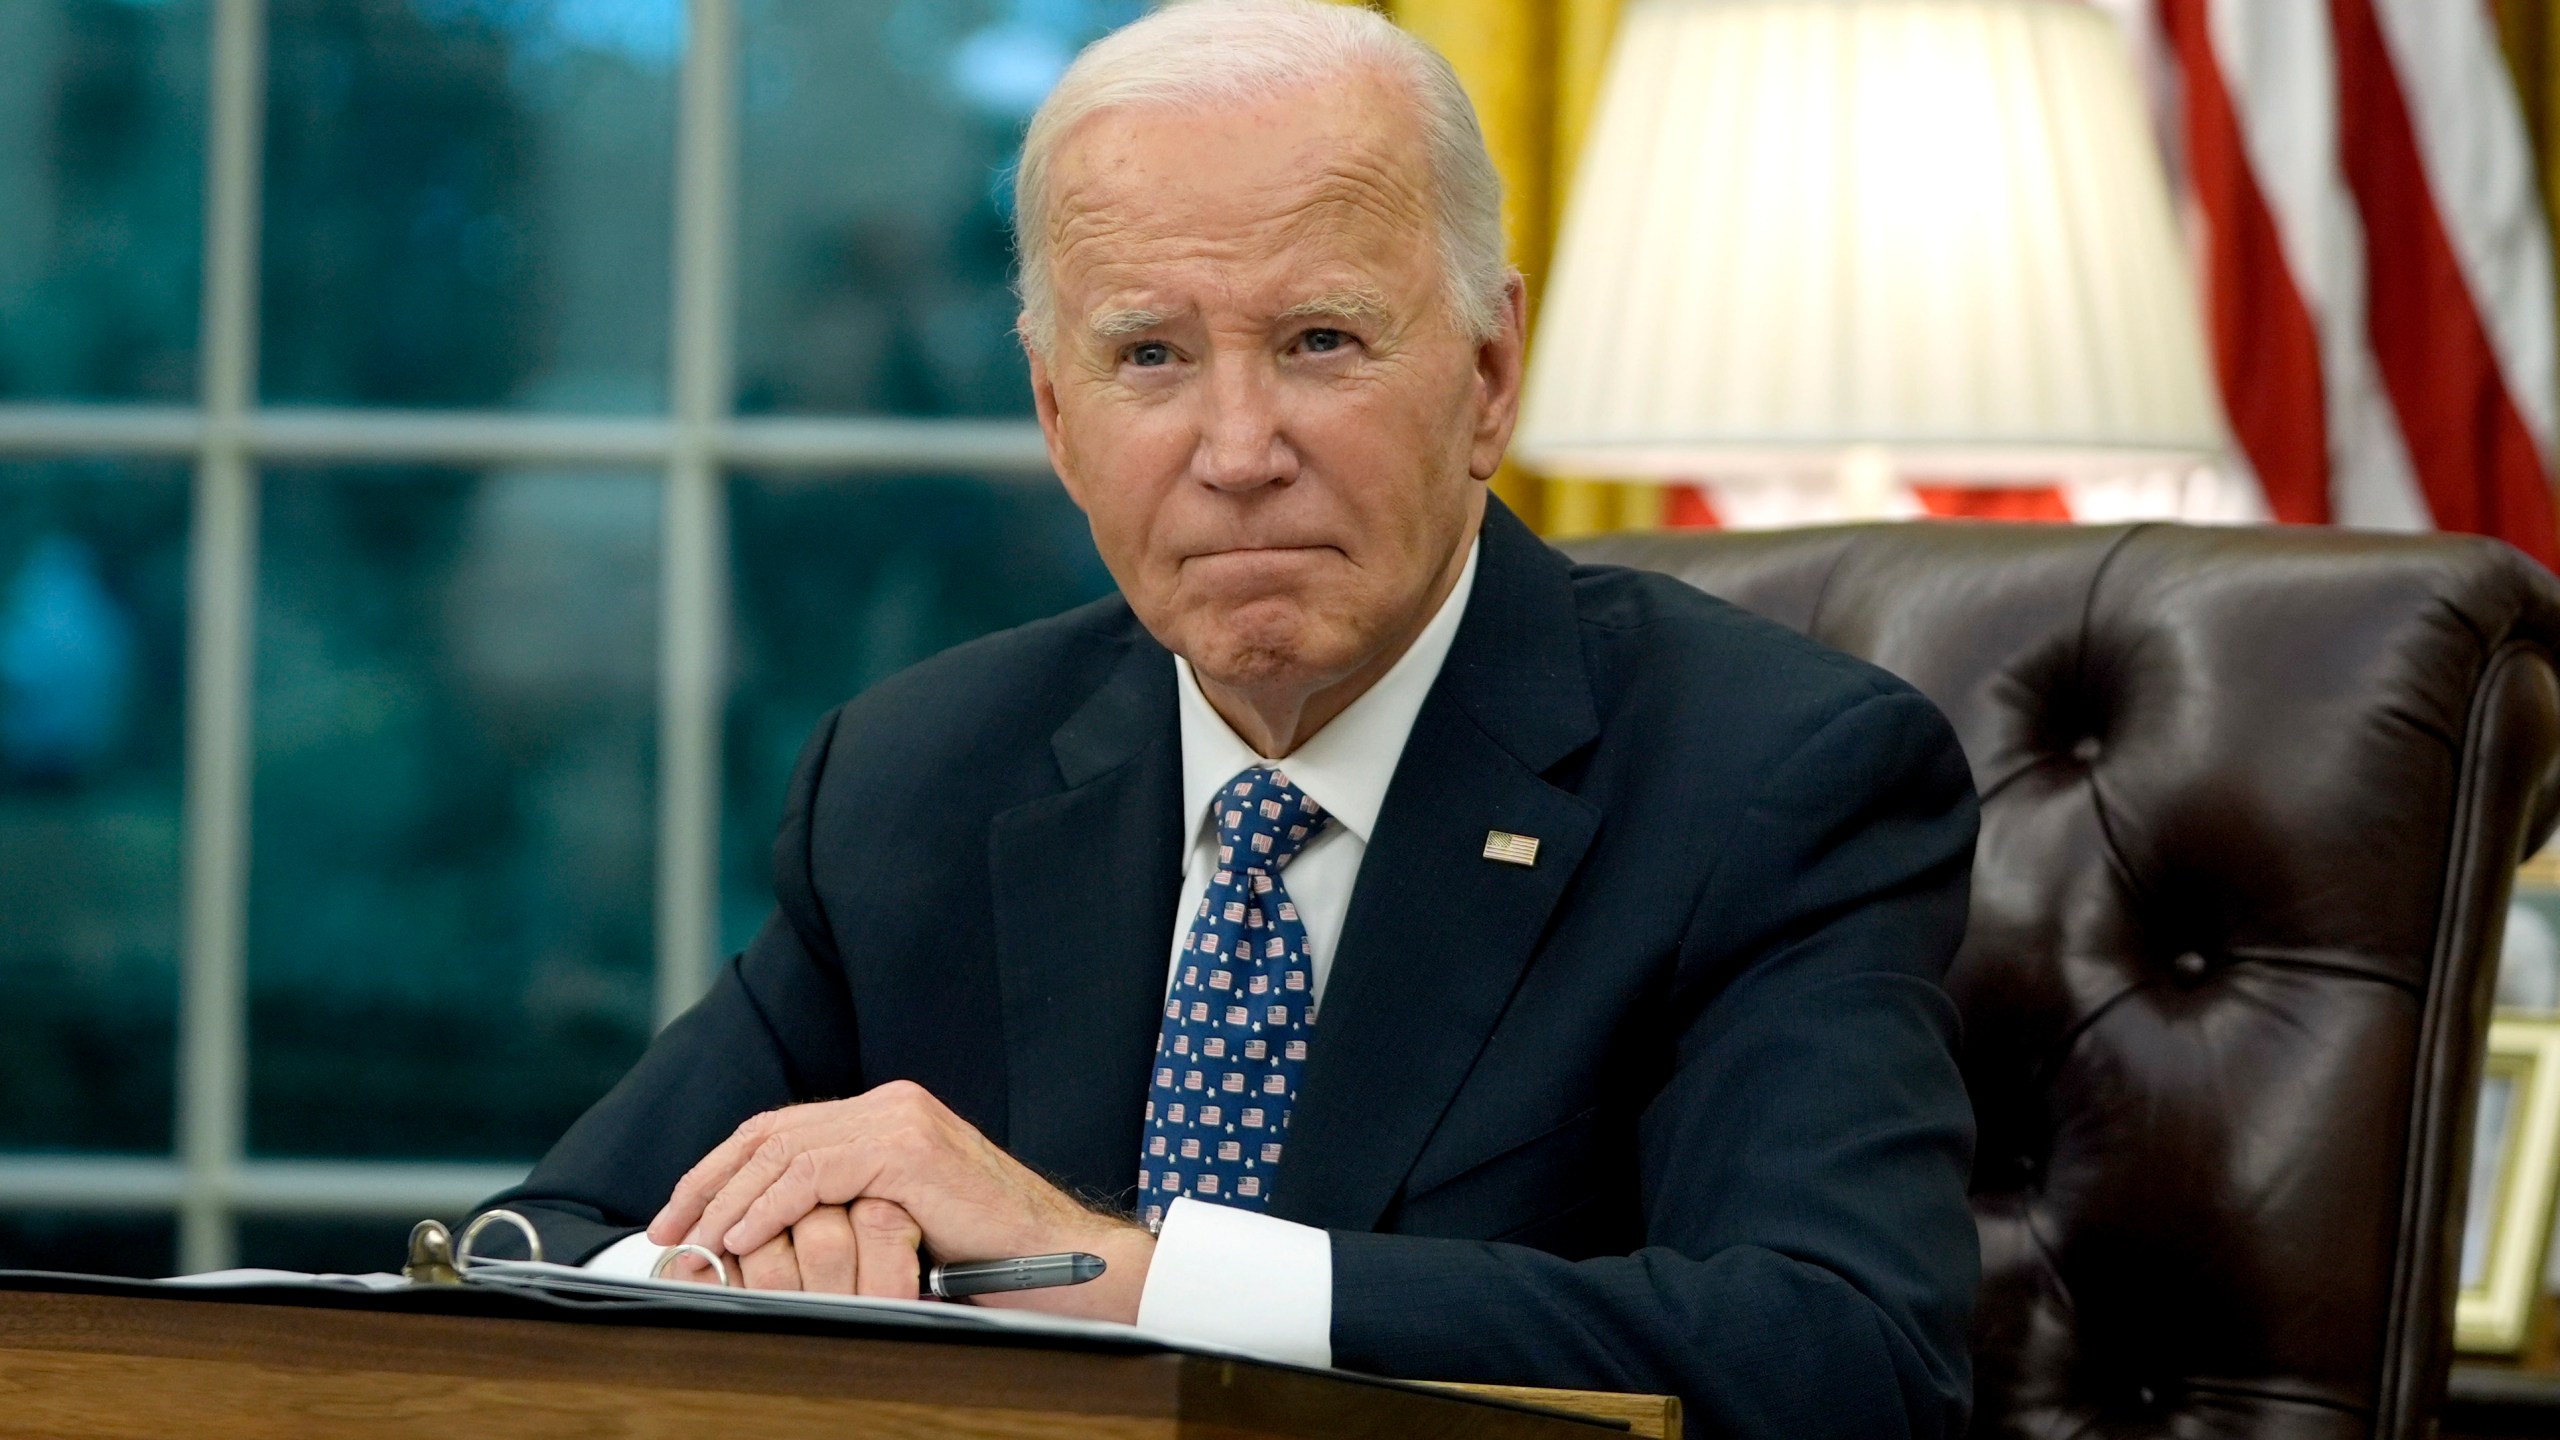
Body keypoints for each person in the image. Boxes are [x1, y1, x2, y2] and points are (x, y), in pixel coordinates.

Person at [481, 2, 1982, 1433]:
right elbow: (539, 1252)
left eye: (1322, 340)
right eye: (1151, 357)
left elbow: (1845, 1362)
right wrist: (749, 1267)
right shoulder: (921, 774)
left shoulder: (1770, 779)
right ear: (1058, 421)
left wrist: (1130, 1282)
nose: (1239, 450)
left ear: (1487, 375)